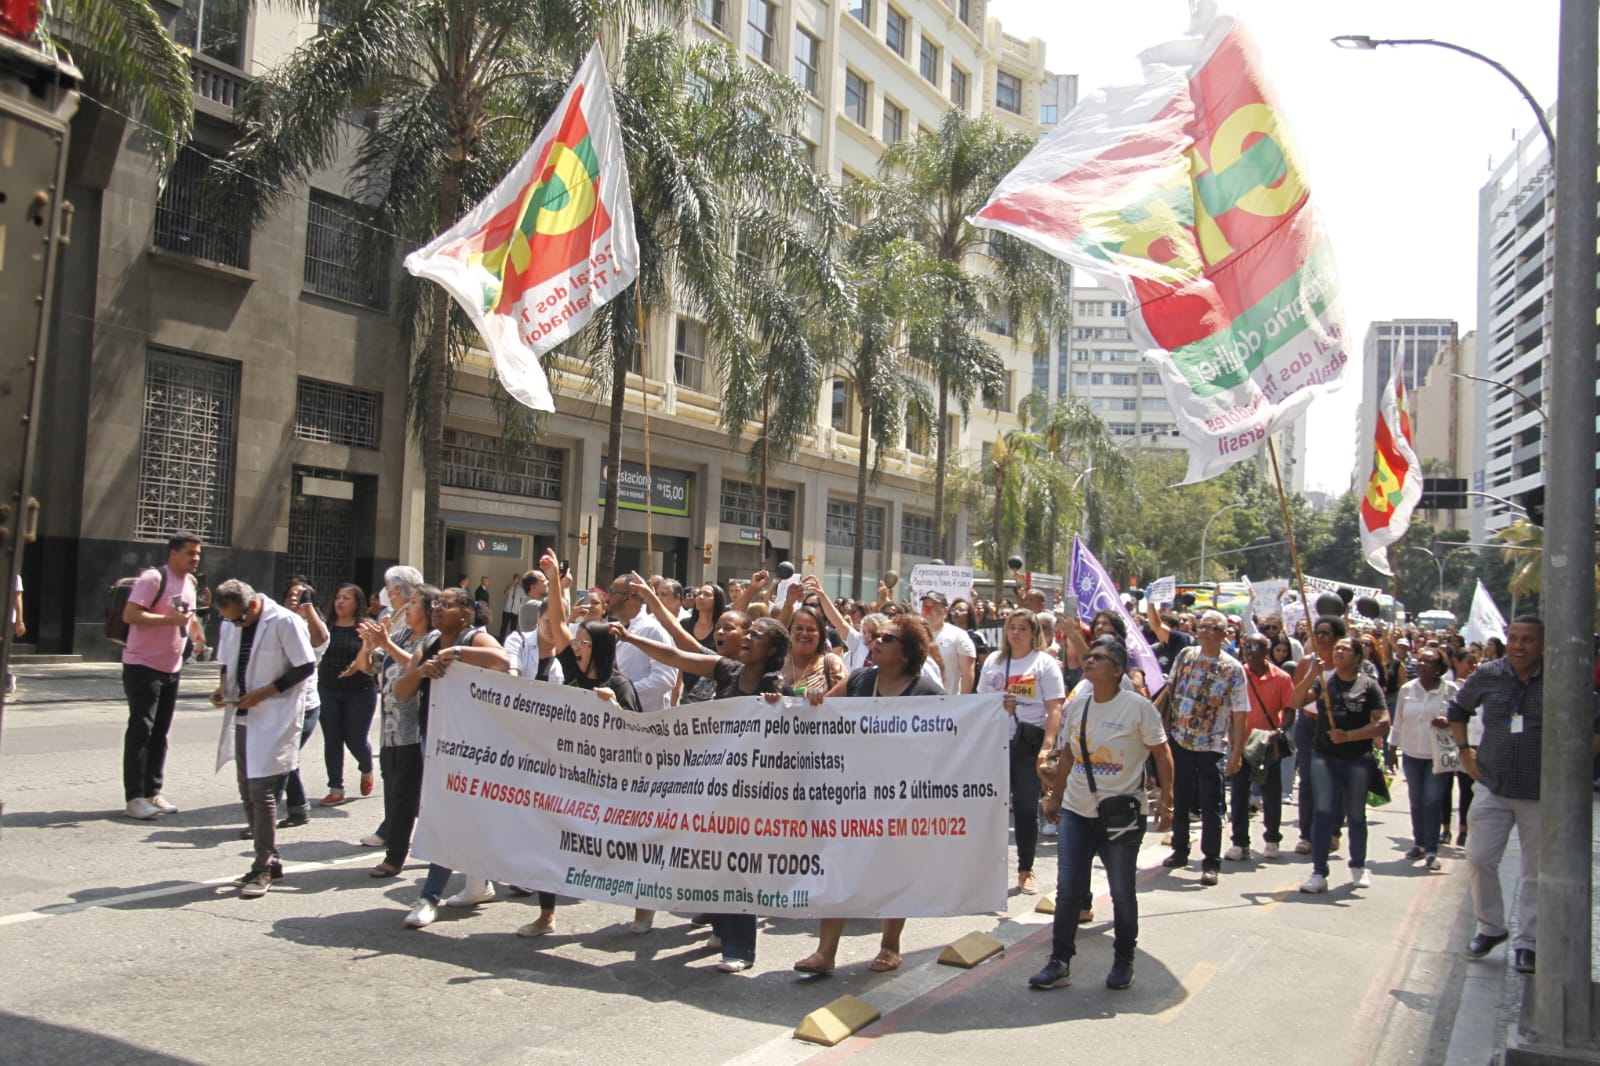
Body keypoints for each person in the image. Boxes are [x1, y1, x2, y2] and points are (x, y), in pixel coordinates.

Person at [794, 614, 944, 976]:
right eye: (875, 636)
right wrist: (815, 698)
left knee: (894, 871)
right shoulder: (859, 679)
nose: (875, 642)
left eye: (887, 639)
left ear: (906, 654)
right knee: (838, 869)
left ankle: (890, 946)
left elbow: (948, 743)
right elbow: (823, 711)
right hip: (851, 795)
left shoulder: (927, 693)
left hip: (901, 799)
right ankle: (825, 953)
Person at [1029, 637, 1175, 992]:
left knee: (1122, 891)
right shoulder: (1078, 706)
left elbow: (1162, 754)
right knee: (1068, 890)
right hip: (1078, 812)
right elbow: (1067, 757)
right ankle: (1059, 962)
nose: (1088, 661)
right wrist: (1056, 797)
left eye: (1098, 657)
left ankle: (1123, 959)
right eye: (1088, 656)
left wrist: (1168, 800)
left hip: (1121, 815)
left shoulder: (1138, 708)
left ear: (1117, 670)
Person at [1448, 617, 1587, 975]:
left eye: (1527, 640)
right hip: (1492, 785)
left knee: (1534, 871)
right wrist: (1465, 751)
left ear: (1543, 644)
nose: (1518, 646)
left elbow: (1590, 719)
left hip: (1540, 793)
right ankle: (1490, 927)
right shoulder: (1489, 674)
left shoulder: (1561, 677)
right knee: (1478, 858)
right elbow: (1458, 710)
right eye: (1512, 638)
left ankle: (1529, 942)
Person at [393, 586, 511, 928]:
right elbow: (402, 691)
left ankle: (429, 896)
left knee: (445, 817)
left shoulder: (475, 639)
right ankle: (478, 882)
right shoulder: (428, 644)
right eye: (436, 604)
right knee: (461, 814)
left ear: (464, 612)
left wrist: (457, 653)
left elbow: (502, 661)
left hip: (472, 745)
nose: (437, 609)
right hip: (434, 742)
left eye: (446, 605)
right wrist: (421, 672)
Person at [210, 580, 316, 898]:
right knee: (246, 789)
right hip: (244, 714)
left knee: (262, 791)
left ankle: (265, 865)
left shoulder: (285, 621)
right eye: (229, 620)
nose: (234, 625)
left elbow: (306, 666)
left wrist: (263, 693)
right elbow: (228, 662)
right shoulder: (233, 623)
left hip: (274, 714)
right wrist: (222, 689)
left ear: (253, 605)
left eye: (239, 619)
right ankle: (270, 860)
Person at [978, 609, 1066, 894]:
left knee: (1026, 808)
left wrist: (1048, 746)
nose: (1016, 633)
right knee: (990, 808)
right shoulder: (994, 661)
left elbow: (1054, 707)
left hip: (1027, 745)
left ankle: (1026, 869)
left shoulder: (1044, 664)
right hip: (995, 743)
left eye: (1023, 628)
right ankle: (986, 870)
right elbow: (980, 700)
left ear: (1033, 633)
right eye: (1012, 627)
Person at [120, 532, 207, 820]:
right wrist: (171, 620)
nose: (195, 558)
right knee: (141, 730)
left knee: (160, 732)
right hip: (143, 665)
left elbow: (189, 617)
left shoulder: (190, 582)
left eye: (198, 553)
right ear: (173, 553)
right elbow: (131, 615)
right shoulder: (153, 579)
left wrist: (197, 637)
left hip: (172, 667)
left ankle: (152, 792)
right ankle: (134, 797)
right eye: (190, 553)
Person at [1160, 611, 1248, 885]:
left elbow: (1239, 713)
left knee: (1211, 804)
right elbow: (1170, 688)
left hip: (1212, 745)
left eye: (1212, 628)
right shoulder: (1186, 655)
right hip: (1180, 738)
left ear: (1224, 634)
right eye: (1202, 627)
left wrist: (1236, 752)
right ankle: (1180, 849)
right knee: (1181, 797)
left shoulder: (1233, 669)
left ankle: (1211, 860)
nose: (1205, 631)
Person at [1296, 635, 1388, 893]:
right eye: (1337, 648)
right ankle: (1319, 872)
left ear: (1357, 656)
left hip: (1357, 758)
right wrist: (1311, 674)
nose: (1338, 652)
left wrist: (1349, 736)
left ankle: (1358, 865)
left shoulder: (1369, 686)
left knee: (1356, 814)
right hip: (1324, 756)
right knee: (1323, 812)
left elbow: (1382, 722)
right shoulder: (1324, 683)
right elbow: (1295, 701)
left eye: (1345, 649)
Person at [355, 584, 434, 876]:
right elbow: (368, 667)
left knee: (406, 795)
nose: (407, 607)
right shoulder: (399, 635)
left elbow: (415, 666)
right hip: (389, 730)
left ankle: (395, 856)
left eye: (414, 602)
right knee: (396, 792)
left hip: (415, 731)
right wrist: (368, 645)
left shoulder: (432, 639)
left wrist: (386, 643)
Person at [1226, 634, 1297, 861]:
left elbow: (1290, 710)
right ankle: (1239, 842)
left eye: (1255, 647)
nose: (1249, 651)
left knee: (1271, 793)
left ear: (1266, 651)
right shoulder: (1238, 675)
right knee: (1238, 794)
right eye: (1246, 647)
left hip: (1267, 744)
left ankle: (1272, 839)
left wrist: (1280, 731)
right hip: (1241, 743)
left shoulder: (1282, 678)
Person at [1393, 646, 1458, 871]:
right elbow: (1398, 720)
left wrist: (1448, 721)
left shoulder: (1450, 690)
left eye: (1428, 662)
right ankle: (1418, 843)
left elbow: (1462, 719)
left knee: (1432, 800)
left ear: (1439, 668)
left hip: (1436, 756)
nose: (1422, 665)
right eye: (1420, 661)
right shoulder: (1407, 690)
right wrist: (1392, 748)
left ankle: (1431, 849)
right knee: (1416, 800)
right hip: (1411, 754)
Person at [315, 583, 378, 806]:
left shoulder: (367, 627)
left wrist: (359, 661)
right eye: (338, 597)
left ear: (357, 603)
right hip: (328, 690)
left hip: (359, 691)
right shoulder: (326, 627)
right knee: (332, 739)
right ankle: (335, 787)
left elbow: (375, 659)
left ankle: (366, 766)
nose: (340, 602)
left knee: (355, 739)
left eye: (346, 598)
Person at [607, 573, 678, 711]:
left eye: (612, 592)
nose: (607, 598)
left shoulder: (654, 630)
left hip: (646, 719)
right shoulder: (612, 629)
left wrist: (625, 692)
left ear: (627, 596)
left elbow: (665, 679)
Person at [922, 591, 976, 695]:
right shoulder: (913, 634)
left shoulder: (958, 635)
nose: (928, 610)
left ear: (945, 611)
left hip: (947, 702)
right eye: (925, 606)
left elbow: (967, 673)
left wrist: (961, 703)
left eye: (934, 606)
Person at [7, 571, 22, 697]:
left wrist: (19, 621)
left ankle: (8, 677)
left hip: (6, 619)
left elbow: (18, 597)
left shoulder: (14, 575)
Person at [500, 574, 527, 640]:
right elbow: (505, 593)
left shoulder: (521, 589)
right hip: (507, 610)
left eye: (518, 579)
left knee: (513, 628)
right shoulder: (510, 587)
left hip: (515, 611)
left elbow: (523, 599)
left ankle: (511, 642)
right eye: (516, 579)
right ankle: (501, 641)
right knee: (504, 626)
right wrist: (512, 584)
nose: (517, 580)